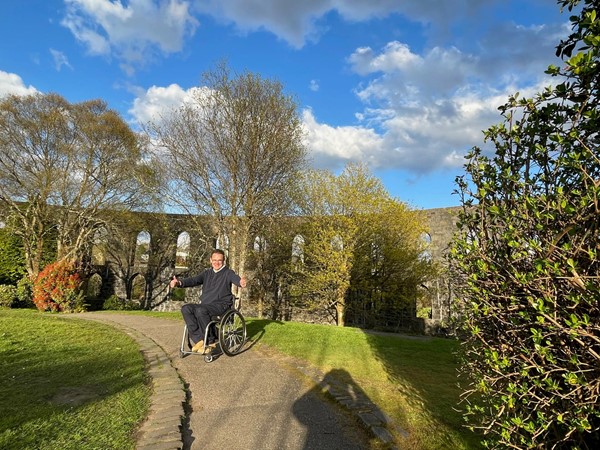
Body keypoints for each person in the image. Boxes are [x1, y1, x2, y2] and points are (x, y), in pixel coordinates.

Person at [170, 249, 247, 353]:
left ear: (224, 261)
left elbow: (235, 278)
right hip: (206, 305)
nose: (216, 262)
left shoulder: (228, 273)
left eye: (219, 260)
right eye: (214, 260)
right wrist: (179, 282)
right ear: (210, 260)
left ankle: (210, 341)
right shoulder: (207, 273)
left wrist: (240, 282)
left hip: (221, 305)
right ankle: (200, 340)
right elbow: (194, 280)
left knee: (201, 310)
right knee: (186, 308)